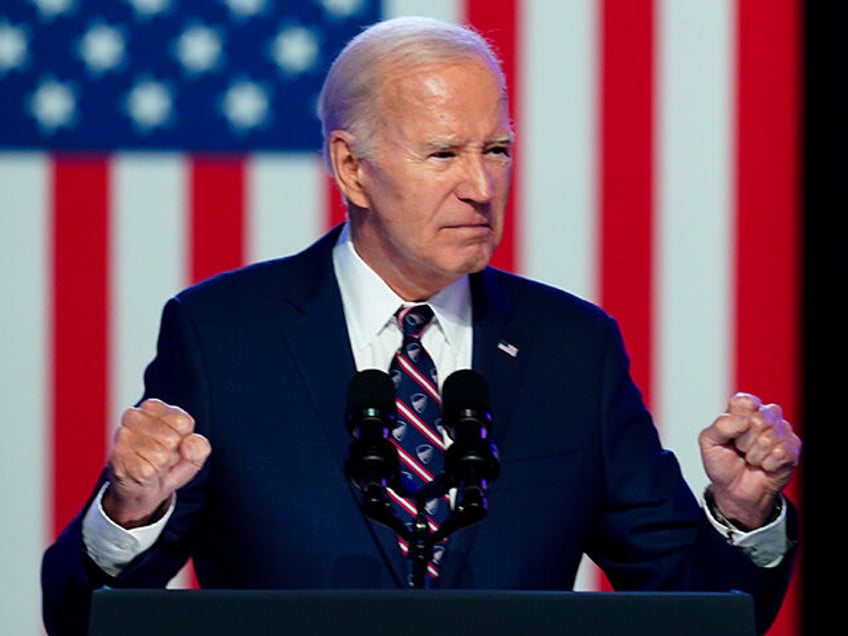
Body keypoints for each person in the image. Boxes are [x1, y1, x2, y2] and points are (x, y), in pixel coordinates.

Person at [41, 15, 801, 636]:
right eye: (443, 153)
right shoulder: (222, 336)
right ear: (351, 168)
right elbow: (83, 617)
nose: (480, 185)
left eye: (496, 150)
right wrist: (130, 512)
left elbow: (701, 614)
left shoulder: (574, 349)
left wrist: (745, 515)